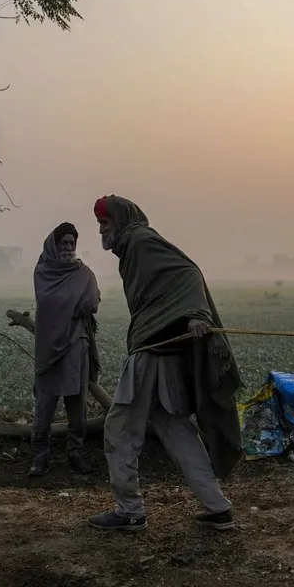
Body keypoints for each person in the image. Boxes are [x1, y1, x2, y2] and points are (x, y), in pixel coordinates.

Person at [87, 194, 243, 532]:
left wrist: (196, 315)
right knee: (177, 430)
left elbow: (187, 272)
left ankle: (129, 511)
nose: (101, 230)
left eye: (105, 223)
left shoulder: (140, 241)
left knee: (120, 428)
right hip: (164, 354)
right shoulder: (133, 246)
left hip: (149, 352)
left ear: (121, 220)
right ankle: (217, 507)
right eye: (100, 224)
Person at [30, 221, 101, 477]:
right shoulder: (43, 272)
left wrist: (72, 306)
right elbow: (48, 303)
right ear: (54, 245)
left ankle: (76, 452)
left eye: (72, 243)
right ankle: (40, 455)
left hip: (75, 346)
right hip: (49, 349)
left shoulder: (84, 274)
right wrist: (73, 305)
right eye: (64, 243)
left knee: (76, 403)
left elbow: (91, 303)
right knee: (45, 404)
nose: (68, 247)